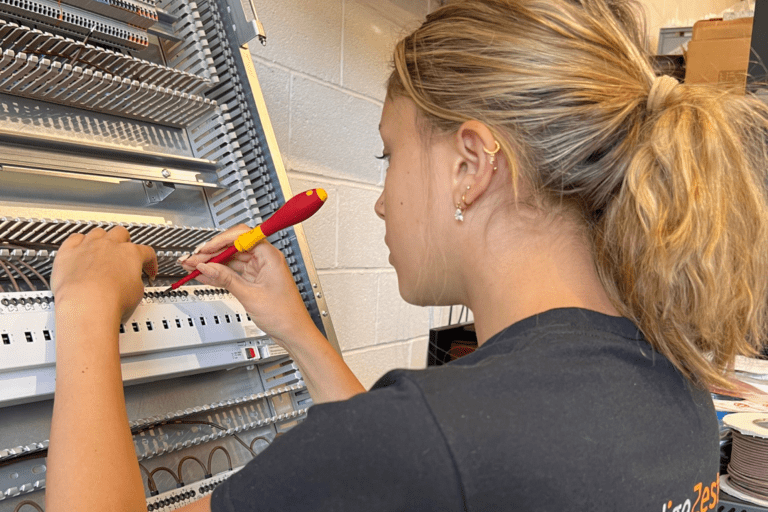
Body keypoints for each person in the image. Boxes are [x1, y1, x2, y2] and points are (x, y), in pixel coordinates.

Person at [45, 0, 768, 510]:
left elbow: (414, 455)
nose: (383, 202)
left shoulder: (433, 435)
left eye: (388, 156)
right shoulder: (676, 384)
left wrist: (84, 305)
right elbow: (424, 470)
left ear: (470, 165)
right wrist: (297, 329)